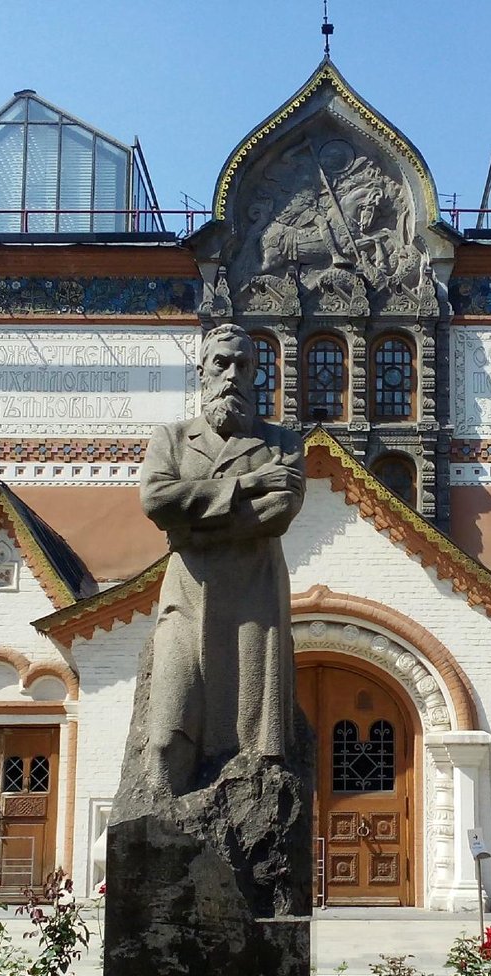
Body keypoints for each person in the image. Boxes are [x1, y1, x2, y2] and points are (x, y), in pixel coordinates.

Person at [138, 323, 305, 796]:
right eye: (222, 362)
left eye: (244, 365)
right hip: (188, 594)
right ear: (203, 371)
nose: (232, 373)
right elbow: (156, 500)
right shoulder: (170, 439)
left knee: (253, 738)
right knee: (169, 726)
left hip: (253, 600)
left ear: (256, 374)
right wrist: (249, 485)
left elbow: (278, 513)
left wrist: (188, 527)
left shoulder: (283, 444)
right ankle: (164, 824)